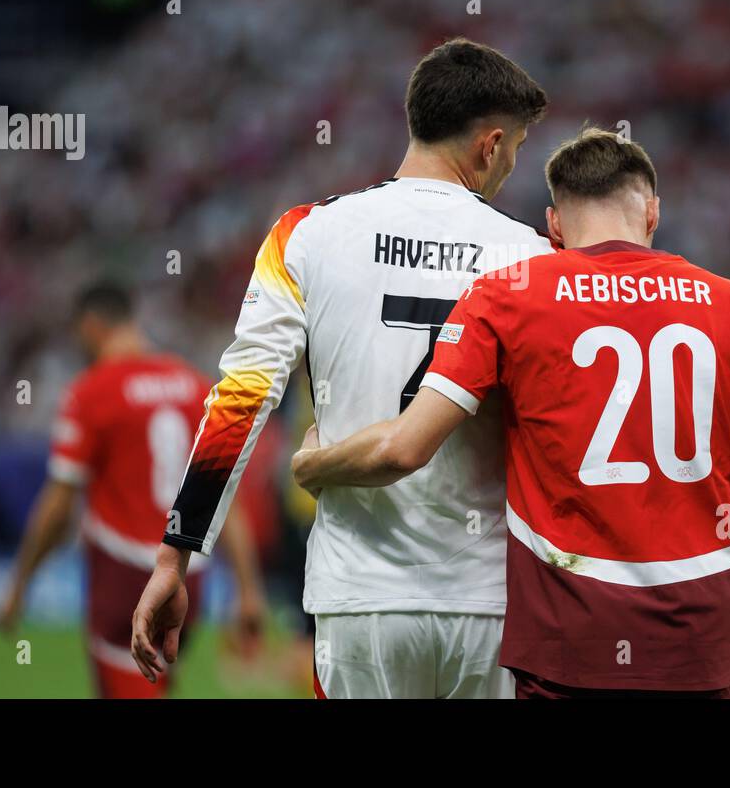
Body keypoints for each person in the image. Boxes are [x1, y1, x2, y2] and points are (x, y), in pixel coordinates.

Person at [292, 128, 730, 698]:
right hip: (706, 634)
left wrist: (314, 461)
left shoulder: (507, 296)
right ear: (653, 213)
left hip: (570, 637)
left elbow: (406, 449)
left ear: (553, 226)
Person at [132, 39, 554, 698]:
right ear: (489, 144)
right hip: (492, 602)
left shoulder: (306, 233)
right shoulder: (534, 258)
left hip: (360, 600)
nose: (512, 164)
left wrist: (176, 554)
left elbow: (241, 401)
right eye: (519, 147)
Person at [0, 280, 265, 698]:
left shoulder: (91, 393)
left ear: (90, 326)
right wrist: (249, 590)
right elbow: (224, 500)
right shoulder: (195, 387)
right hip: (187, 577)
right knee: (155, 682)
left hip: (124, 577)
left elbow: (58, 506)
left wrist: (19, 583)